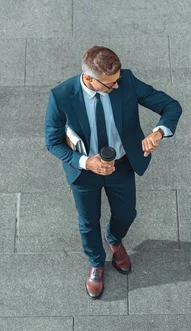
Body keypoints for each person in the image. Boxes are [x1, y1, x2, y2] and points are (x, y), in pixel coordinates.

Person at [44, 46, 182, 299]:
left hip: (122, 164)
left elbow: (171, 106)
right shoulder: (62, 96)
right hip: (85, 171)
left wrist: (158, 132)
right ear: (88, 78)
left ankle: (114, 239)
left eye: (117, 81)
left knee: (127, 213)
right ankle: (97, 262)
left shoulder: (125, 81)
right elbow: (52, 142)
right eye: (109, 84)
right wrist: (86, 162)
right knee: (88, 220)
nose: (116, 87)